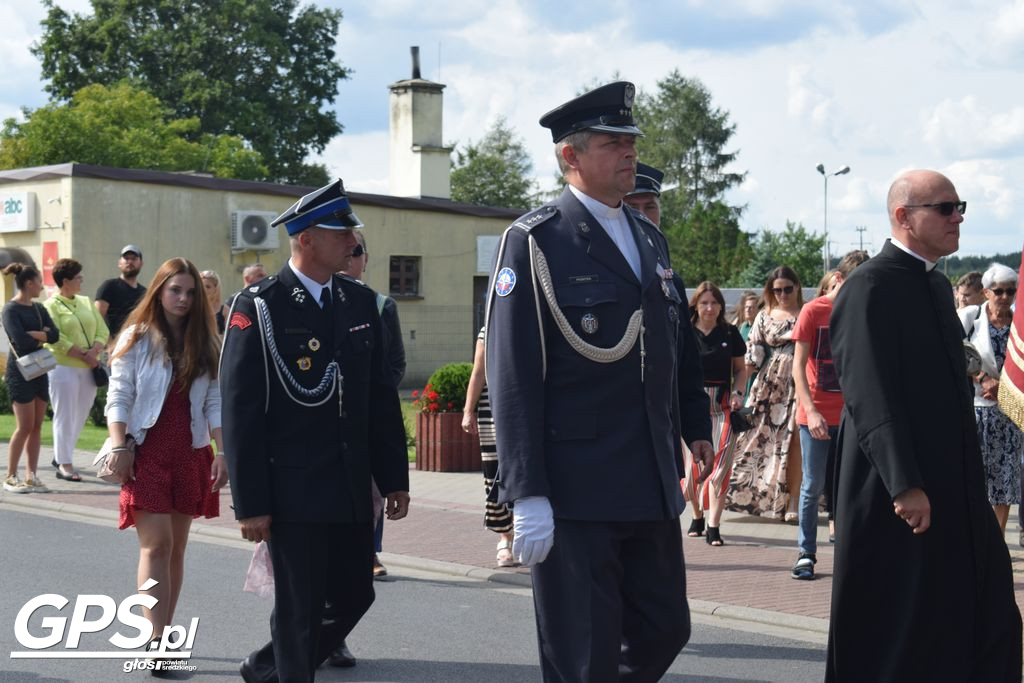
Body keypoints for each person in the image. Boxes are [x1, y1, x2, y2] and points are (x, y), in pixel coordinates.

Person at [486, 81, 713, 682]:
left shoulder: (648, 237)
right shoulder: (535, 240)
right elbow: (512, 376)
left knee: (667, 625)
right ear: (571, 156)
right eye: (614, 143)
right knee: (585, 648)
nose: (629, 153)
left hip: (648, 475)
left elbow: (675, 347)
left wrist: (694, 426)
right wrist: (526, 490)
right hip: (576, 483)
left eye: (631, 142)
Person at [827, 169, 1021, 681]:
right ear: (903, 217)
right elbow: (869, 393)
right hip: (895, 489)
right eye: (945, 208)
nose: (957, 217)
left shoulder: (935, 285)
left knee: (990, 614)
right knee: (898, 630)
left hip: (952, 482)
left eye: (960, 207)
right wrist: (905, 482)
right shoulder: (868, 287)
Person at [221, 179, 409, 683]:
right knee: (299, 608)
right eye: (338, 232)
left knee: (355, 593)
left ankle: (265, 667)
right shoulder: (259, 306)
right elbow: (240, 411)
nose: (352, 242)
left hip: (348, 484)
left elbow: (378, 396)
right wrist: (251, 502)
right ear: (305, 239)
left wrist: (394, 476)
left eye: (352, 233)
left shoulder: (357, 301)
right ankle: (286, 670)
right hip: (292, 488)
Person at [104, 257, 227, 660]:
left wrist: (221, 451)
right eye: (175, 290)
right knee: (156, 547)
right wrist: (119, 445)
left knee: (176, 549)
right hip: (147, 452)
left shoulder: (206, 342)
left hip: (190, 452)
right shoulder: (137, 338)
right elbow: (119, 395)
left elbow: (214, 401)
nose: (184, 298)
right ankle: (155, 640)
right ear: (159, 291)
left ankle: (165, 631)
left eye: (191, 292)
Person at [326, 227, 407, 670]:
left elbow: (391, 368)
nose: (350, 256)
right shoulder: (296, 300)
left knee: (354, 545)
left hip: (360, 439)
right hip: (313, 454)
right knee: (306, 555)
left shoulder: (377, 305)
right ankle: (301, 636)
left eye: (357, 251)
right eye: (346, 248)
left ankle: (333, 636)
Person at [789, 250, 868, 580]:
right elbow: (797, 366)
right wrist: (810, 410)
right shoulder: (813, 310)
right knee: (812, 485)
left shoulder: (864, 312)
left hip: (853, 417)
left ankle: (854, 554)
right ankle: (806, 553)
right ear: (838, 279)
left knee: (853, 487)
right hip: (816, 416)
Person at [725, 266, 804, 521]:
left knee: (794, 444)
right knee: (759, 442)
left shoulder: (807, 312)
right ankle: (764, 498)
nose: (782, 294)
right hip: (769, 385)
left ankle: (793, 501)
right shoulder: (763, 316)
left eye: (787, 289)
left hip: (800, 383)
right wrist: (739, 392)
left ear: (797, 287)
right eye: (777, 289)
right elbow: (752, 358)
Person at [959, 262, 1022, 535]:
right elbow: (956, 350)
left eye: (1011, 291)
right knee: (976, 476)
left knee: (1004, 481)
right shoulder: (970, 317)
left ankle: (996, 539)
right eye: (999, 291)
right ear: (986, 292)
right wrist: (983, 378)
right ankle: (974, 534)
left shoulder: (1019, 323)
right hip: (978, 409)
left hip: (1010, 412)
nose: (1006, 297)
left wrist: (1006, 387)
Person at [683, 281, 746, 547]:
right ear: (695, 305)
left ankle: (714, 525)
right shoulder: (683, 332)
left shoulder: (729, 333)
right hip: (690, 407)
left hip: (722, 407)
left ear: (721, 306)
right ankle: (697, 516)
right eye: (704, 302)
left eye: (715, 303)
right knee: (694, 468)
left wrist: (739, 394)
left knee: (720, 469)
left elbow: (741, 370)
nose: (710, 308)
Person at [43, 258, 109, 482]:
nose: (82, 280)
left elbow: (102, 329)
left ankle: (62, 454)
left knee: (80, 415)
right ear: (65, 281)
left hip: (88, 368)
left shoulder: (85, 301)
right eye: (78, 277)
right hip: (63, 368)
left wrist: (96, 349)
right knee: (64, 415)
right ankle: (64, 463)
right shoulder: (50, 305)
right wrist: (84, 354)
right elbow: (54, 338)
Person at [2, 263, 58, 493]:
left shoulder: (39, 308)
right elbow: (19, 342)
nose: (42, 286)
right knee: (24, 426)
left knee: (36, 426)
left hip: (40, 370)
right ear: (29, 283)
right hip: (20, 371)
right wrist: (41, 337)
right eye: (39, 282)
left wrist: (38, 335)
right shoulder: (10, 310)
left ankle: (31, 476)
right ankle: (10, 476)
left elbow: (54, 335)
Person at [463, 326, 515, 566]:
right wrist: (467, 411)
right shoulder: (489, 328)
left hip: (528, 406)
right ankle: (505, 536)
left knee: (524, 470)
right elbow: (478, 372)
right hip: (492, 408)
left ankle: (525, 533)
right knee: (496, 472)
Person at [95, 244, 146, 338]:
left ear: (141, 263)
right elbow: (97, 318)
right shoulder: (109, 286)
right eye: (126, 258)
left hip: (137, 346)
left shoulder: (145, 293)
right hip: (112, 347)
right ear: (119, 263)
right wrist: (109, 343)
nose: (130, 261)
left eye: (134, 259)